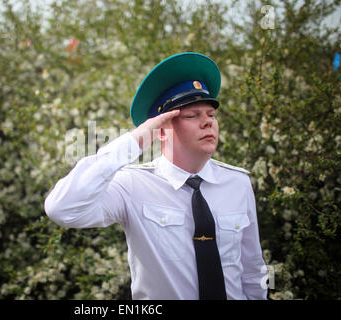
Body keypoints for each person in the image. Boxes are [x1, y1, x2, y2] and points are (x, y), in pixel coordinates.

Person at [44, 52, 267, 300]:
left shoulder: (238, 183)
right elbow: (62, 209)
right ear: (160, 130)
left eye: (211, 115)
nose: (208, 123)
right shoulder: (132, 185)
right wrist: (134, 141)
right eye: (192, 115)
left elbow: (251, 270)